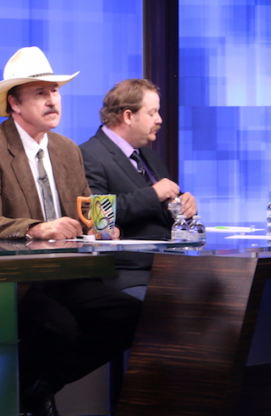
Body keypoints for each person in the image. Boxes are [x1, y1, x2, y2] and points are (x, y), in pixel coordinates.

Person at [0, 46, 141, 416]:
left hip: (65, 274)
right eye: (41, 92)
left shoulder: (66, 149)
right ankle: (9, 399)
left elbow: (85, 213)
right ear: (15, 103)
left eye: (55, 91)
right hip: (12, 281)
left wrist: (100, 229)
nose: (53, 100)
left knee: (130, 316)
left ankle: (38, 389)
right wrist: (36, 228)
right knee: (58, 325)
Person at [79, 79, 198, 291]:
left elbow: (165, 202)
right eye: (152, 113)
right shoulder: (89, 155)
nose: (159, 120)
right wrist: (153, 194)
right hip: (125, 273)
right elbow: (97, 216)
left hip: (170, 268)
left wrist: (183, 205)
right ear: (128, 116)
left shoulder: (149, 156)